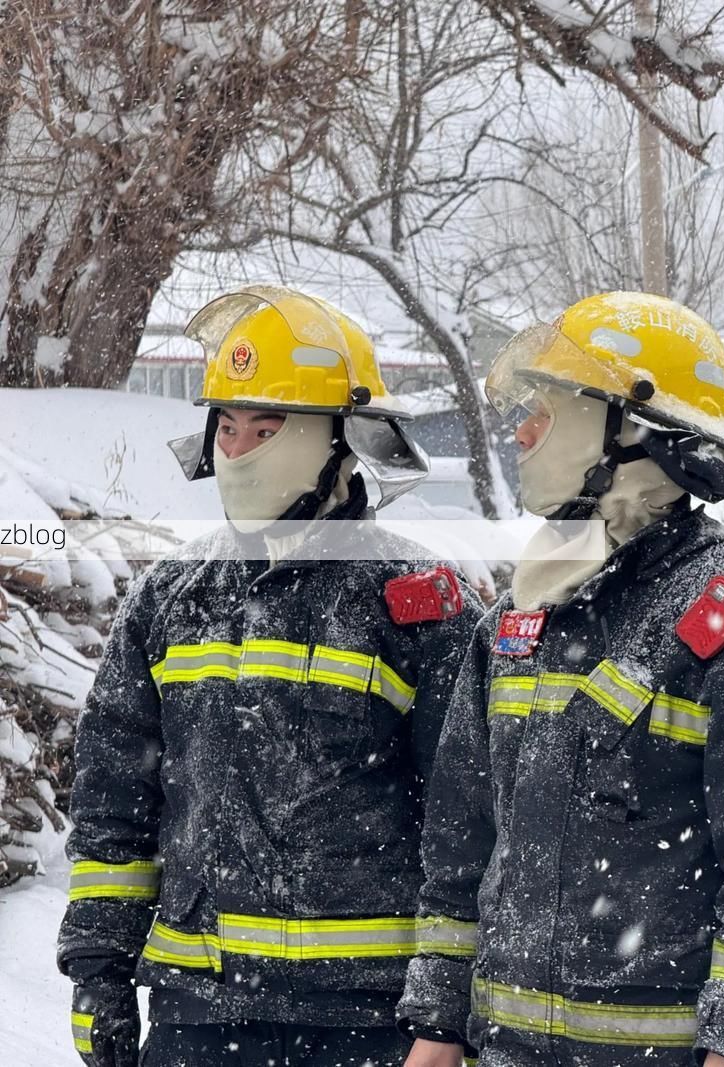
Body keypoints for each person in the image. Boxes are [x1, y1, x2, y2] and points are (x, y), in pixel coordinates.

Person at [58, 285, 482, 1067]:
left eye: (267, 426)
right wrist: (99, 972)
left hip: (365, 1019)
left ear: (341, 439)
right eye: (227, 425)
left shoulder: (417, 601)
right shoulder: (170, 596)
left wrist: (446, 1013)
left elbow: (465, 827)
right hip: (196, 1012)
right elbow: (114, 804)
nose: (239, 447)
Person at [398, 291, 724, 1067]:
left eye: (545, 411)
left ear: (630, 428)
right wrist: (436, 1031)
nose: (520, 433)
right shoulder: (515, 627)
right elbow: (460, 856)